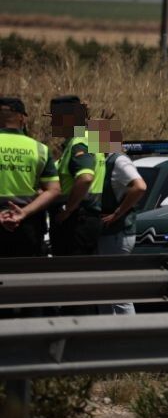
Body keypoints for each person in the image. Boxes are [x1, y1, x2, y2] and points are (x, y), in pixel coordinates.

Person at [90, 117, 147, 315]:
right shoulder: (104, 160)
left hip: (118, 233)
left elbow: (139, 186)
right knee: (104, 289)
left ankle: (129, 335)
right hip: (109, 233)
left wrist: (117, 213)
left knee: (116, 289)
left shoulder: (119, 160)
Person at [0, 97, 60, 258]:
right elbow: (54, 190)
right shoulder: (40, 149)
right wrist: (23, 213)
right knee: (26, 278)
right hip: (28, 224)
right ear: (22, 118)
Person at [48, 95, 107, 256]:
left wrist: (67, 210)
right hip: (88, 218)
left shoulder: (78, 143)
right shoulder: (94, 138)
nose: (52, 123)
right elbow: (116, 158)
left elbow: (86, 178)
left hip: (76, 221)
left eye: (55, 117)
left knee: (70, 275)